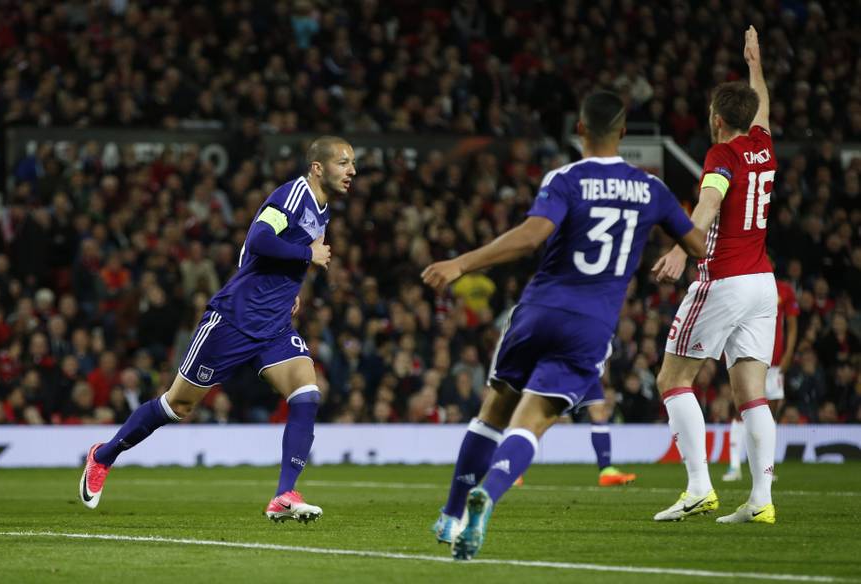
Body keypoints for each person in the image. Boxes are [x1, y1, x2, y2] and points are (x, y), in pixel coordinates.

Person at [421, 90, 705, 560]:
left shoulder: (565, 178)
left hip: (539, 311)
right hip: (591, 325)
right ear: (624, 132)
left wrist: (462, 263)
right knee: (533, 423)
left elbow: (532, 236)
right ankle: (489, 494)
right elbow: (697, 245)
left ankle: (451, 517)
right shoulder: (652, 189)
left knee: (493, 412)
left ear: (579, 129)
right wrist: (685, 231)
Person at [78, 136, 357, 523]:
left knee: (306, 392)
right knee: (179, 405)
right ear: (318, 168)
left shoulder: (323, 208)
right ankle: (103, 455)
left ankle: (285, 494)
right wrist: (307, 254)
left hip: (274, 324)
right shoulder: (291, 197)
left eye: (352, 164)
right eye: (344, 163)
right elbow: (259, 240)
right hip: (234, 320)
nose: (352, 171)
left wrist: (294, 290)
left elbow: (286, 254)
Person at [651, 26, 778, 524]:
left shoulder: (721, 155)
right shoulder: (763, 145)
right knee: (752, 394)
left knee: (671, 377)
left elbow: (707, 204)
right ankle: (762, 500)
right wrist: (755, 65)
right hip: (763, 284)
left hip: (722, 279)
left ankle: (699, 488)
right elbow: (761, 105)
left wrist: (686, 248)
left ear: (718, 118)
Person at [723, 261, 798, 481]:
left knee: (769, 415)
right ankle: (734, 466)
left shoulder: (784, 290)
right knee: (740, 411)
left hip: (774, 363)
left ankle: (765, 468)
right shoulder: (743, 285)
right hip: (748, 359)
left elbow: (792, 327)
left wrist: (787, 357)